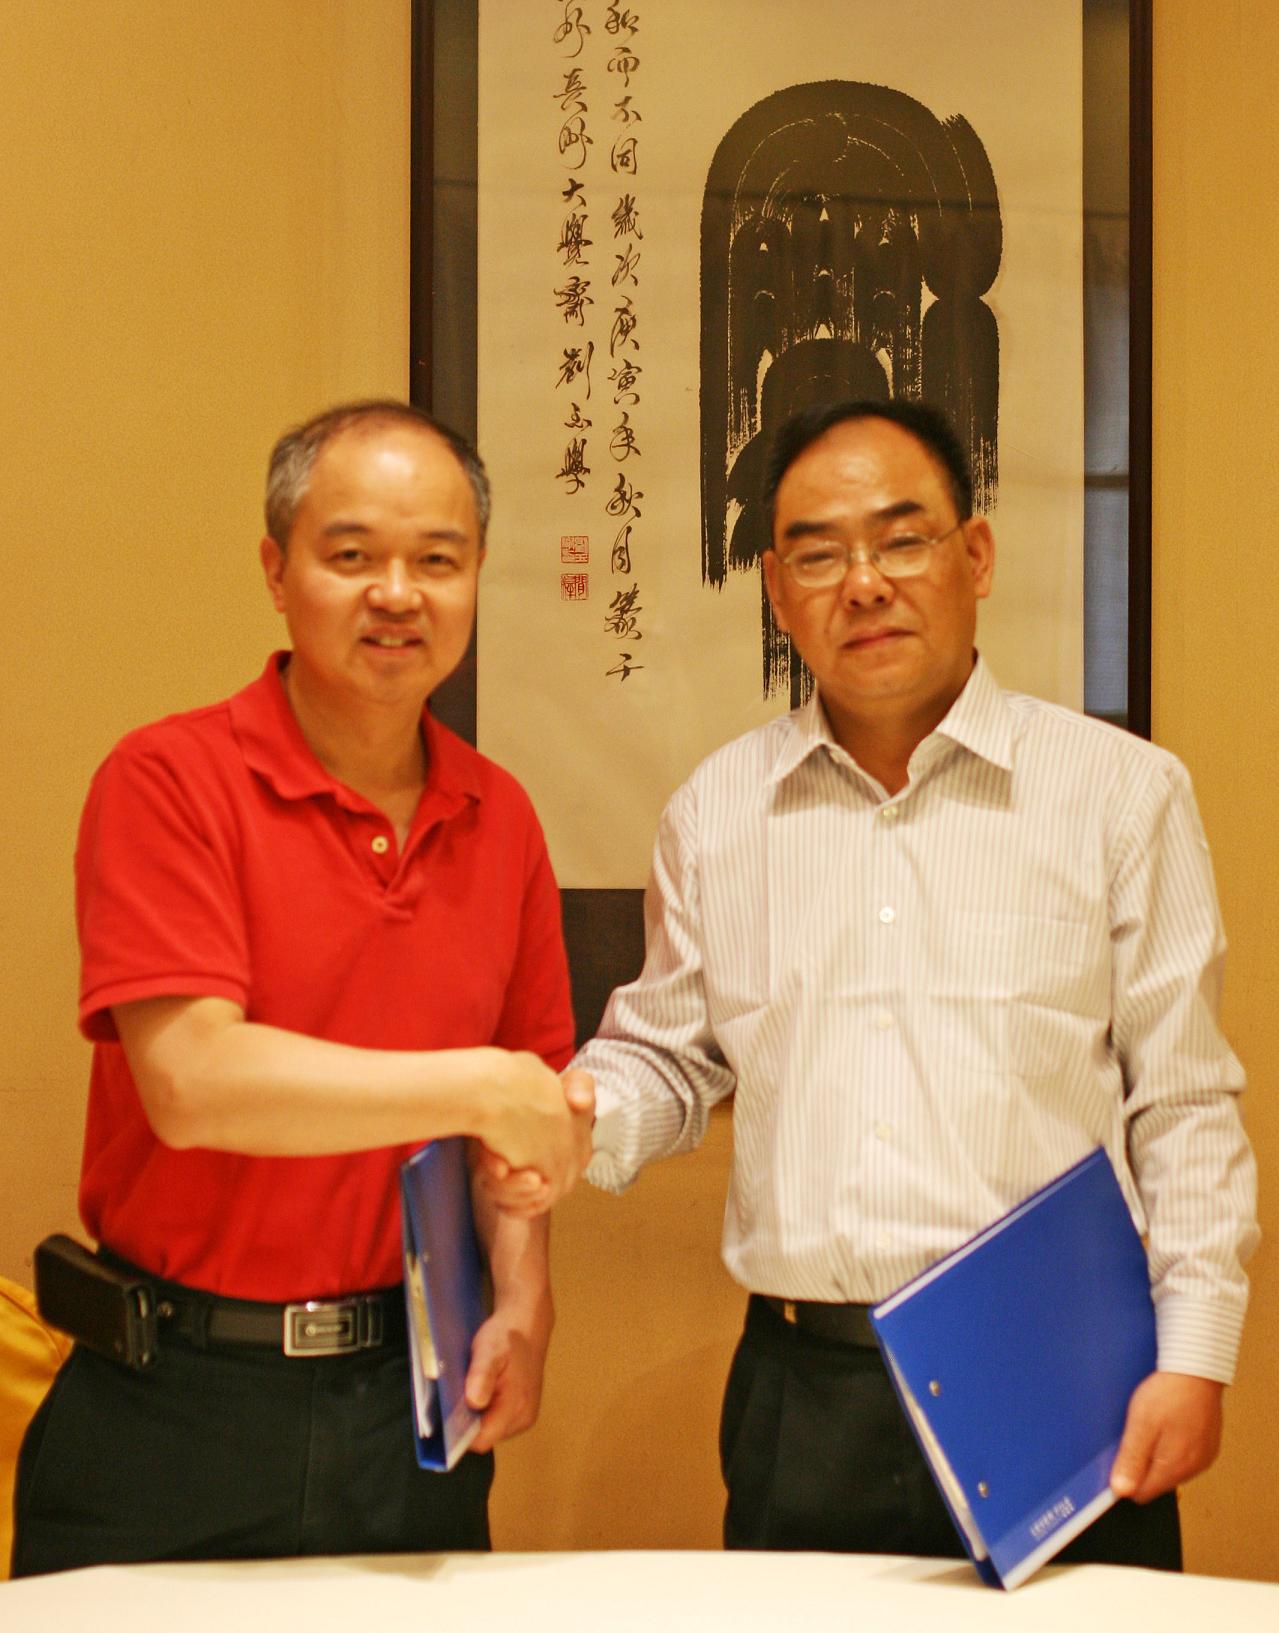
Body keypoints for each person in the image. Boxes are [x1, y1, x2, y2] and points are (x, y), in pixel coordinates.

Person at [546, 399, 1258, 1566]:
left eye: (901, 538)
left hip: (1057, 1378)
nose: (864, 584)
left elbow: (1178, 1099)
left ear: (973, 555)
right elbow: (668, 1059)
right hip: (804, 1390)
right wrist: (573, 1116)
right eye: (818, 555)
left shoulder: (1120, 794)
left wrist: (1194, 1351)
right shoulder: (715, 813)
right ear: (777, 591)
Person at [12, 400, 593, 1576]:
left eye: (439, 560)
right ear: (277, 571)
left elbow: (519, 1130)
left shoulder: (502, 817)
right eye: (352, 554)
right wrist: (482, 1086)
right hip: (173, 1399)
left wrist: (523, 1297)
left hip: (409, 1403)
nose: (398, 593)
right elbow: (193, 1082)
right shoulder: (169, 778)